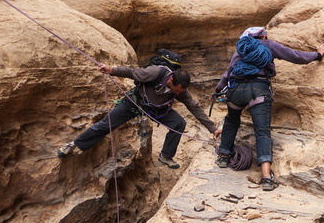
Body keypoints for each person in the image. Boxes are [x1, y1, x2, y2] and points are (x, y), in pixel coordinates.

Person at [215, 27, 324, 190]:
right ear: (262, 36)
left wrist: (218, 90)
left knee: (231, 120)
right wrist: (317, 54)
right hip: (258, 89)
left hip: (235, 90)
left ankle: (224, 157)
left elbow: (228, 73)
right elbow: (295, 56)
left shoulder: (241, 50)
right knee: (262, 131)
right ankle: (267, 178)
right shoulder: (268, 45)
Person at [58, 62, 221, 169]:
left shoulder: (181, 90)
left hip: (156, 110)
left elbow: (194, 106)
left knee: (179, 123)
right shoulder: (155, 73)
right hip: (134, 103)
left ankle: (166, 156)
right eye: (176, 90)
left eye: (180, 92)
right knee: (105, 125)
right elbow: (132, 72)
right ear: (171, 80)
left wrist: (212, 128)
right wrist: (111, 70)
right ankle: (74, 144)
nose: (178, 93)